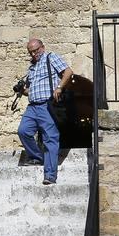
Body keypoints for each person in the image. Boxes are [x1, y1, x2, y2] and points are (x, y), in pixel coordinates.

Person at [17, 38, 73, 184]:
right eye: (31, 52)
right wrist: (22, 90)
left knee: (50, 138)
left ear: (42, 47)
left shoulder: (51, 57)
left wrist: (59, 87)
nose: (34, 54)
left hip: (47, 105)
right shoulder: (31, 68)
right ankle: (37, 157)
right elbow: (31, 90)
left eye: (36, 50)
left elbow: (68, 72)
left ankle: (50, 175)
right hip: (32, 107)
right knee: (23, 131)